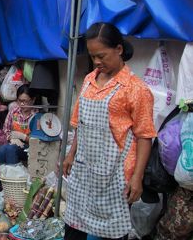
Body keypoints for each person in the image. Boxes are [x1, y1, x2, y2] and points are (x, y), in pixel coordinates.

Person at [63, 22, 157, 240]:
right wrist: (71, 154)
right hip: (84, 170)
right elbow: (81, 123)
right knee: (73, 227)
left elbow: (144, 136)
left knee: (112, 232)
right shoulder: (89, 80)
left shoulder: (136, 89)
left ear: (119, 49)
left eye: (102, 56)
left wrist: (137, 177)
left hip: (114, 175)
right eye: (93, 56)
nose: (97, 62)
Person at [0, 84, 38, 193]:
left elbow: (38, 140)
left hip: (29, 149)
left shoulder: (37, 115)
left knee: (10, 150)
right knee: (2, 150)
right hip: (14, 144)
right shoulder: (14, 111)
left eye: (26, 101)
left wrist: (24, 137)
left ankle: (13, 186)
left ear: (33, 100)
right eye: (20, 101)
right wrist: (11, 138)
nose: (22, 104)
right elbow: (6, 129)